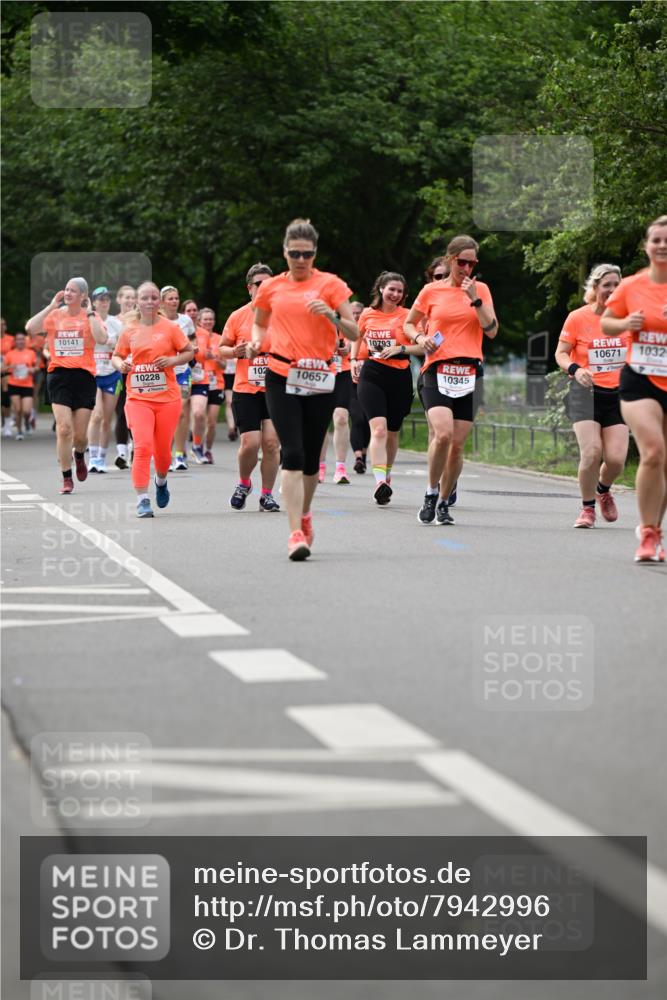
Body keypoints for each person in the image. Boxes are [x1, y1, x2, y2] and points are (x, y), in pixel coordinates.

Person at [251, 218, 359, 560]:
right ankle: (295, 532)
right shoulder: (271, 288)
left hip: (319, 376)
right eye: (295, 253)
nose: (300, 260)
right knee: (293, 453)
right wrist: (256, 343)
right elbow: (259, 324)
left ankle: (305, 513)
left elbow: (354, 332)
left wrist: (331, 316)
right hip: (281, 374)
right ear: (285, 252)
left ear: (315, 254)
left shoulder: (331, 285)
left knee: (312, 459)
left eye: (307, 254)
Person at [404, 234, 498, 525]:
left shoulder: (481, 290)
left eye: (472, 263)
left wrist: (475, 299)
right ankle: (431, 492)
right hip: (437, 369)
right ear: (450, 259)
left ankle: (444, 501)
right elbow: (409, 323)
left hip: (469, 372)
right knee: (442, 434)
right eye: (462, 262)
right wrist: (420, 338)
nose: (466, 268)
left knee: (457, 445)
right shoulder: (431, 291)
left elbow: (492, 330)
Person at [601, 214, 667, 562]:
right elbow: (607, 322)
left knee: (665, 463)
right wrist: (627, 322)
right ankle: (649, 533)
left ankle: (654, 528)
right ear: (646, 246)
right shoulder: (631, 285)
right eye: (656, 240)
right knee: (653, 451)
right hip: (640, 378)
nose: (662, 246)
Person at [555, 264, 629, 528]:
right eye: (607, 285)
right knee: (592, 452)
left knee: (616, 460)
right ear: (595, 287)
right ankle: (587, 509)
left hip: (619, 395)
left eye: (616, 285)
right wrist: (576, 369)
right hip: (585, 393)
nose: (612, 290)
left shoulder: (627, 319)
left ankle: (602, 489)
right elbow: (561, 353)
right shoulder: (578, 318)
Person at [113, 281, 194, 517]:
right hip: (138, 398)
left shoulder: (170, 328)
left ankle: (161, 481)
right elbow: (116, 356)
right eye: (145, 298)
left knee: (163, 453)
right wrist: (122, 365)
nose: (149, 302)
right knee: (142, 447)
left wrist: (172, 361)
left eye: (153, 298)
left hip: (167, 398)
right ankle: (142, 499)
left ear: (159, 302)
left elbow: (189, 351)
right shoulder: (129, 329)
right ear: (137, 302)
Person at [26, 277, 107, 494]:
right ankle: (66, 477)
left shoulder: (91, 316)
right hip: (59, 376)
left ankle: (79, 455)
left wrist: (90, 313)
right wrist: (51, 306)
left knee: (80, 437)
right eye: (66, 289)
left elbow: (102, 338)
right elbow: (30, 328)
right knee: (63, 429)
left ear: (83, 295)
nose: (68, 293)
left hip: (84, 377)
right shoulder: (55, 315)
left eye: (73, 291)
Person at [351, 272, 421, 504]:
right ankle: (380, 482)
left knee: (391, 432)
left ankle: (387, 474)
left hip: (400, 376)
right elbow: (357, 336)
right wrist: (354, 360)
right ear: (381, 289)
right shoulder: (367, 314)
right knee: (379, 430)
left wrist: (401, 349)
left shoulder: (408, 316)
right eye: (391, 289)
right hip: (372, 373)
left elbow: (423, 346)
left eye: (400, 291)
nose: (395, 294)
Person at [220, 263, 281, 511]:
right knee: (250, 444)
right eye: (259, 284)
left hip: (276, 389)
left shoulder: (283, 315)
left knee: (271, 444)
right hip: (246, 389)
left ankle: (267, 495)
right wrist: (235, 351)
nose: (264, 288)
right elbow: (222, 348)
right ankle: (244, 483)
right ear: (250, 288)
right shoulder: (238, 316)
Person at [87, 287, 124, 472]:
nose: (104, 302)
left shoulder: (116, 323)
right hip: (92, 374)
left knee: (106, 420)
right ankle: (92, 458)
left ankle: (101, 458)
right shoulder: (89, 320)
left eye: (107, 299)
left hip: (112, 374)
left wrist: (114, 344)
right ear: (93, 302)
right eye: (100, 299)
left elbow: (125, 346)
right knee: (97, 415)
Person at [160, 285, 196, 470]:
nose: (174, 301)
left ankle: (180, 455)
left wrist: (193, 347)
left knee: (181, 412)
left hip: (182, 372)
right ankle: (164, 453)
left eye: (176, 298)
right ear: (162, 302)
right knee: (164, 415)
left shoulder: (186, 320)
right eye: (170, 298)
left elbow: (193, 337)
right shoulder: (157, 320)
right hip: (162, 374)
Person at [182, 299, 210, 464]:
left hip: (200, 379)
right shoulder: (178, 330)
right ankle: (181, 450)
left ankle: (197, 447)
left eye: (194, 310)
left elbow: (206, 355)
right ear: (183, 313)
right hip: (183, 379)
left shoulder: (204, 333)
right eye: (189, 310)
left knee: (199, 414)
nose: (192, 313)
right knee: (182, 416)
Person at [113, 284, 137, 469]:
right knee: (121, 411)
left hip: (138, 371)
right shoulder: (112, 321)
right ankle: (122, 452)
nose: (130, 300)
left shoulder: (141, 319)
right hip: (117, 371)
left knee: (136, 411)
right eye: (126, 297)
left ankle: (136, 446)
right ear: (119, 299)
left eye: (132, 297)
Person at [347, 301, 370, 473]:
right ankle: (358, 458)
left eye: (358, 313)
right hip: (349, 381)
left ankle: (364, 453)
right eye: (353, 313)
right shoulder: (344, 329)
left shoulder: (369, 330)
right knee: (357, 419)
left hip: (369, 380)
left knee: (368, 420)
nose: (355, 316)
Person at [200, 307, 225, 464]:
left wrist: (215, 358)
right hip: (199, 382)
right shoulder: (196, 338)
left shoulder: (220, 339)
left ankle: (207, 450)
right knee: (199, 418)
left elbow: (224, 365)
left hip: (216, 383)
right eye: (205, 319)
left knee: (212, 422)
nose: (208, 322)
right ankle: (198, 447)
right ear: (200, 321)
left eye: (210, 319)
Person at [3, 331, 38, 439]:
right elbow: (3, 369)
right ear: (15, 341)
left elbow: (37, 367)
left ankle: (27, 422)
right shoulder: (10, 354)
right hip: (14, 384)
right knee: (18, 410)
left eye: (22, 339)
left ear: (25, 341)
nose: (20, 341)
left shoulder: (31, 353)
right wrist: (10, 367)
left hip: (27, 385)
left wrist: (32, 369)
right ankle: (19, 431)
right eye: (18, 339)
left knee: (26, 411)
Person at [1, 319, 15, 436]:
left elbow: (16, 354)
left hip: (6, 371)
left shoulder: (10, 339)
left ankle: (7, 425)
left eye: (3, 325)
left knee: (5, 397)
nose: (1, 327)